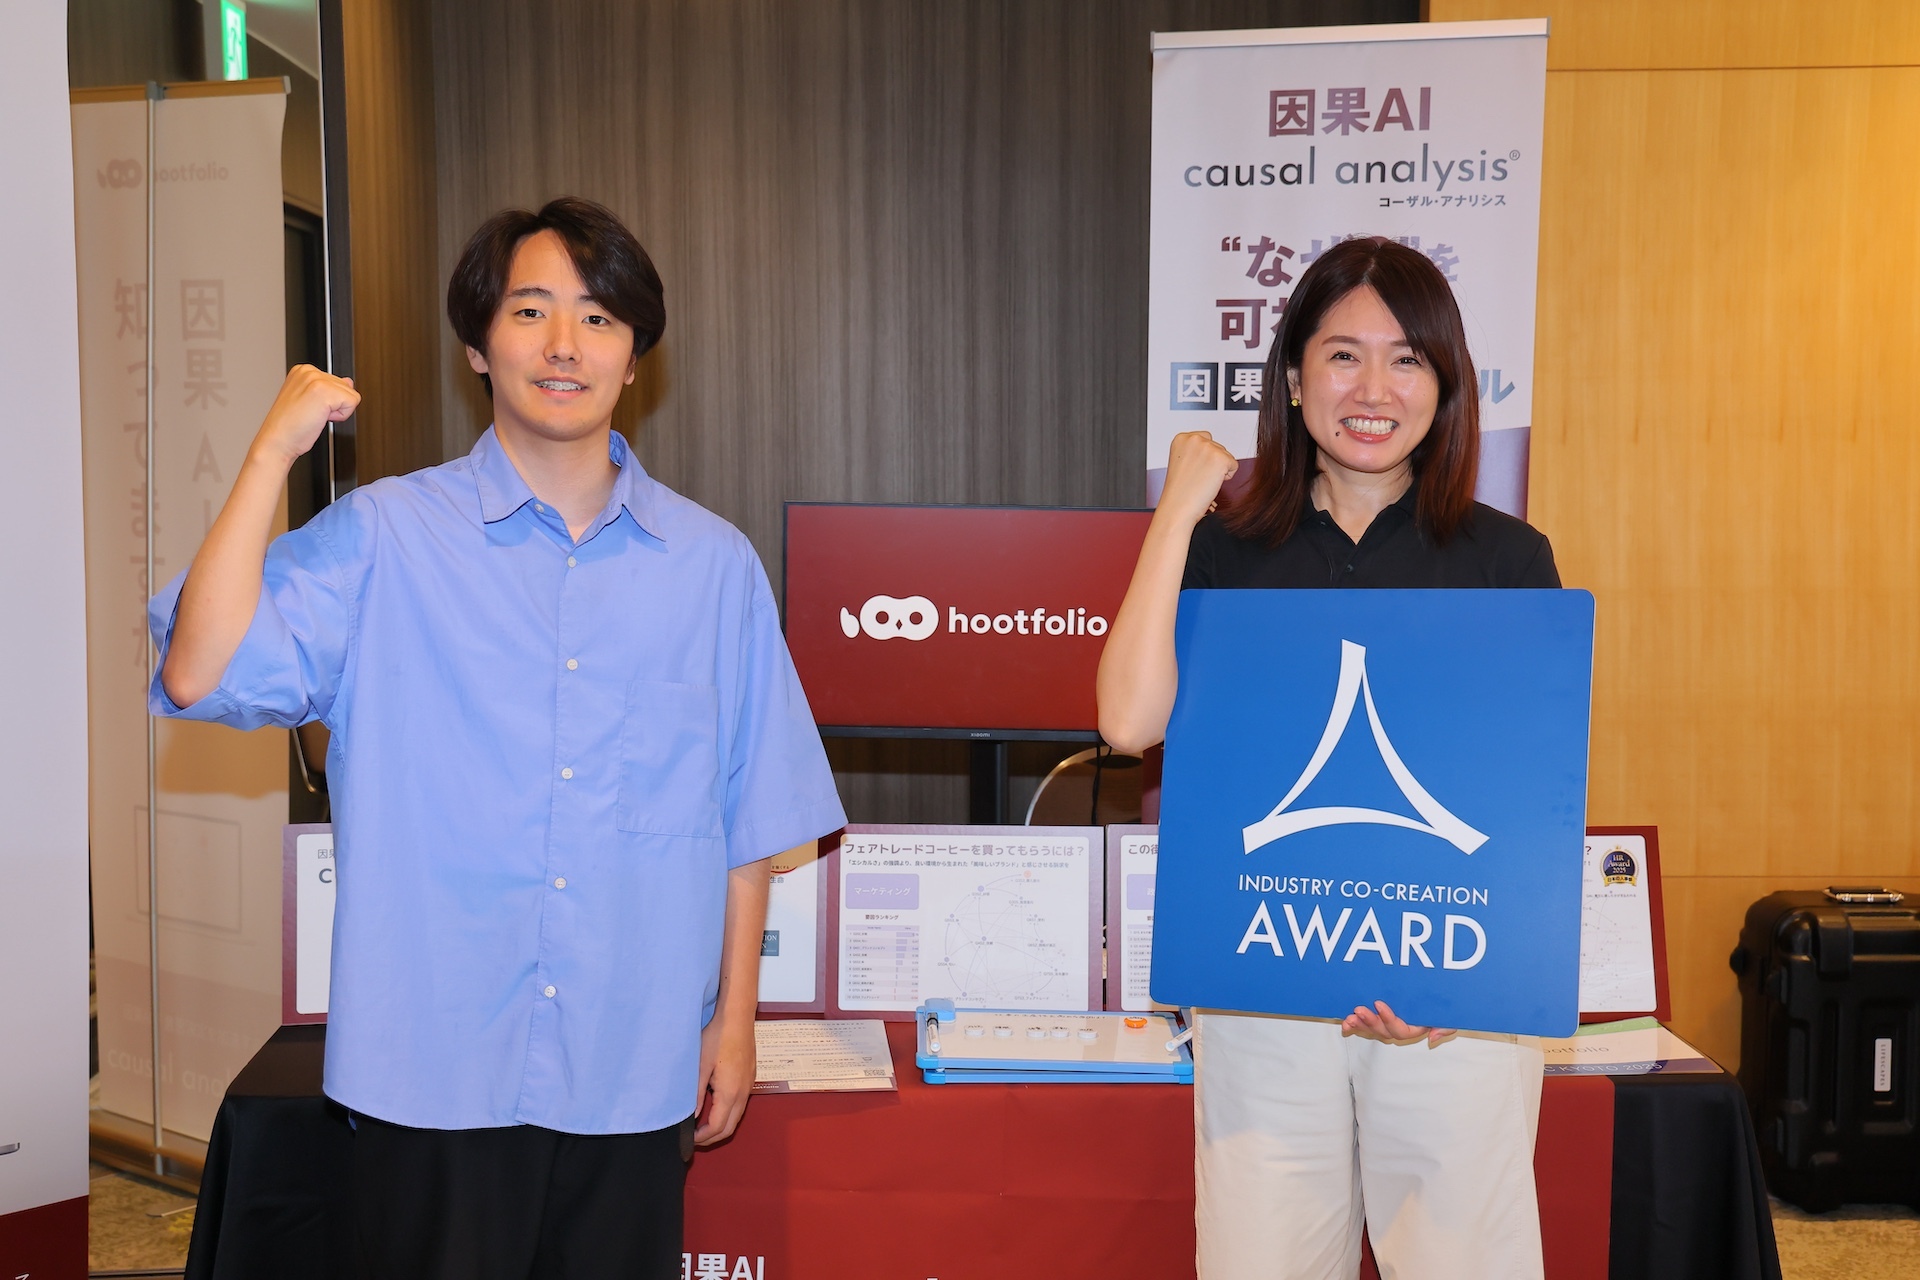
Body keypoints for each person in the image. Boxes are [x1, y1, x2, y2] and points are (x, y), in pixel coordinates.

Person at [151, 196, 846, 1279]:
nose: (565, 343)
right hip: (427, 1066)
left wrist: (736, 1022)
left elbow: (747, 812)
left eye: (598, 318)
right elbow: (197, 670)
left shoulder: (712, 566)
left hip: (631, 1063)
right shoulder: (384, 535)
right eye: (530, 311)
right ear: (478, 346)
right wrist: (269, 454)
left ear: (634, 359)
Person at [1097, 236, 1559, 1280]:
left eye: (1407, 359)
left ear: (1445, 386)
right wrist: (1177, 513)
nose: (1373, 389)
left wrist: (1468, 973)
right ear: (1296, 379)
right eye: (1343, 355)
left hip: (1446, 1002)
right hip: (1264, 985)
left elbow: (1525, 789)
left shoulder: (1505, 558)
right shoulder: (1223, 548)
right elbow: (1127, 723)